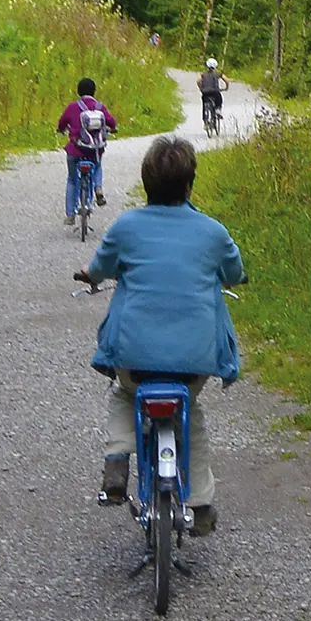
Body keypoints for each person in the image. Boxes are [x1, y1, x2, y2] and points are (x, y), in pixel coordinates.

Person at [76, 136, 246, 536]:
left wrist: (89, 275)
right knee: (191, 419)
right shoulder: (213, 232)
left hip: (134, 358)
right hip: (194, 361)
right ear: (189, 185)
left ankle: (117, 461)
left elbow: (100, 267)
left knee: (124, 394)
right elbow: (235, 272)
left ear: (146, 182)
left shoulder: (126, 226)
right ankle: (200, 503)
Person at [57, 78, 118, 224]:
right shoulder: (99, 107)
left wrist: (61, 130)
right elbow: (112, 122)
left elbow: (61, 123)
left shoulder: (73, 107)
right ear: (94, 91)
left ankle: (70, 214)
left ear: (79, 92)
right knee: (97, 165)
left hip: (75, 151)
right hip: (93, 151)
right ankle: (98, 188)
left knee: (72, 180)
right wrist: (113, 128)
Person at [199, 58, 229, 123]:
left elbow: (198, 81)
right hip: (215, 91)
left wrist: (200, 88)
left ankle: (205, 120)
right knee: (219, 97)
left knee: (204, 103)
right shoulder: (218, 73)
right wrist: (226, 87)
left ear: (207, 65)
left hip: (205, 92)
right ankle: (218, 109)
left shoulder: (203, 74)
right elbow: (226, 80)